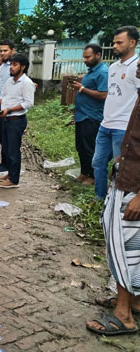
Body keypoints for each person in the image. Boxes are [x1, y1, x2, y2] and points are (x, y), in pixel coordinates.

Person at [86, 58, 140, 336]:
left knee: (125, 247)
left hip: (135, 186)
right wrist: (123, 155)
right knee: (130, 243)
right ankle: (134, 301)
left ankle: (124, 315)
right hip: (127, 173)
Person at [92, 26, 140, 200]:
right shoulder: (112, 68)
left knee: (120, 167)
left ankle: (117, 202)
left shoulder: (137, 67)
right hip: (105, 125)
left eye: (120, 43)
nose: (115, 46)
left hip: (123, 127)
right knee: (98, 163)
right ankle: (100, 197)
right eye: (114, 42)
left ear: (132, 43)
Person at [0, 53, 35, 189]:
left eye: (15, 65)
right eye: (11, 65)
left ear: (23, 67)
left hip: (16, 120)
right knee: (7, 150)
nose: (11, 68)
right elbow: (3, 96)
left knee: (14, 151)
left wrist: (9, 110)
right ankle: (9, 174)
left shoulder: (27, 83)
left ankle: (14, 180)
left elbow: (28, 103)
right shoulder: (10, 81)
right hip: (6, 119)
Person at [69, 44, 108, 186]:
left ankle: (92, 176)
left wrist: (82, 89)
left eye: (88, 57)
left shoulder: (103, 72)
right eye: (84, 57)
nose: (85, 60)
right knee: (81, 147)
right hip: (82, 115)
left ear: (98, 55)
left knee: (89, 147)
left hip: (92, 117)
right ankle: (84, 173)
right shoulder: (91, 72)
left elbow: (103, 95)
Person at [0, 40, 16, 175]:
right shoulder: (4, 66)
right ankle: (4, 162)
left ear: (12, 50)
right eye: (1, 51)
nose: (2, 53)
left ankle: (10, 167)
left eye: (5, 50)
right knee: (2, 135)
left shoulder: (15, 65)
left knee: (9, 137)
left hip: (10, 105)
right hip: (1, 102)